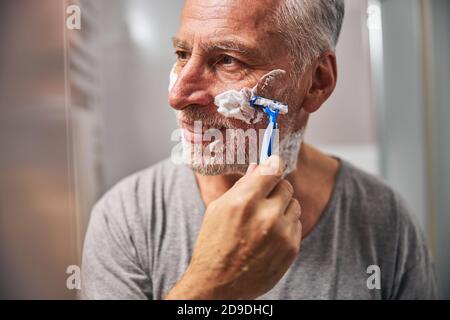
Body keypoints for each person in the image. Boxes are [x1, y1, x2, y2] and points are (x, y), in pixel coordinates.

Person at [81, 0, 437, 299]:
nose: (177, 96)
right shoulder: (125, 220)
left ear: (316, 82)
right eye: (182, 53)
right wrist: (208, 288)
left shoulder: (384, 220)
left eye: (228, 60)